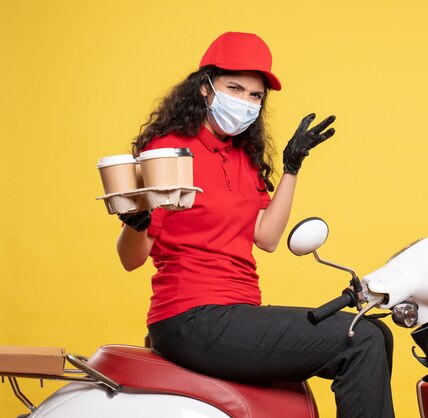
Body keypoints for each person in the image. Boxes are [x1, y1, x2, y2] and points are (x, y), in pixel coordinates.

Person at [116, 31, 395, 418]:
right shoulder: (169, 151)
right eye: (235, 88)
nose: (246, 102)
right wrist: (136, 220)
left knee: (376, 333)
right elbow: (131, 258)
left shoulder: (242, 155)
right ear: (205, 87)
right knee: (359, 339)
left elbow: (266, 237)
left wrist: (292, 167)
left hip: (236, 311)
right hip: (192, 316)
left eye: (255, 96)